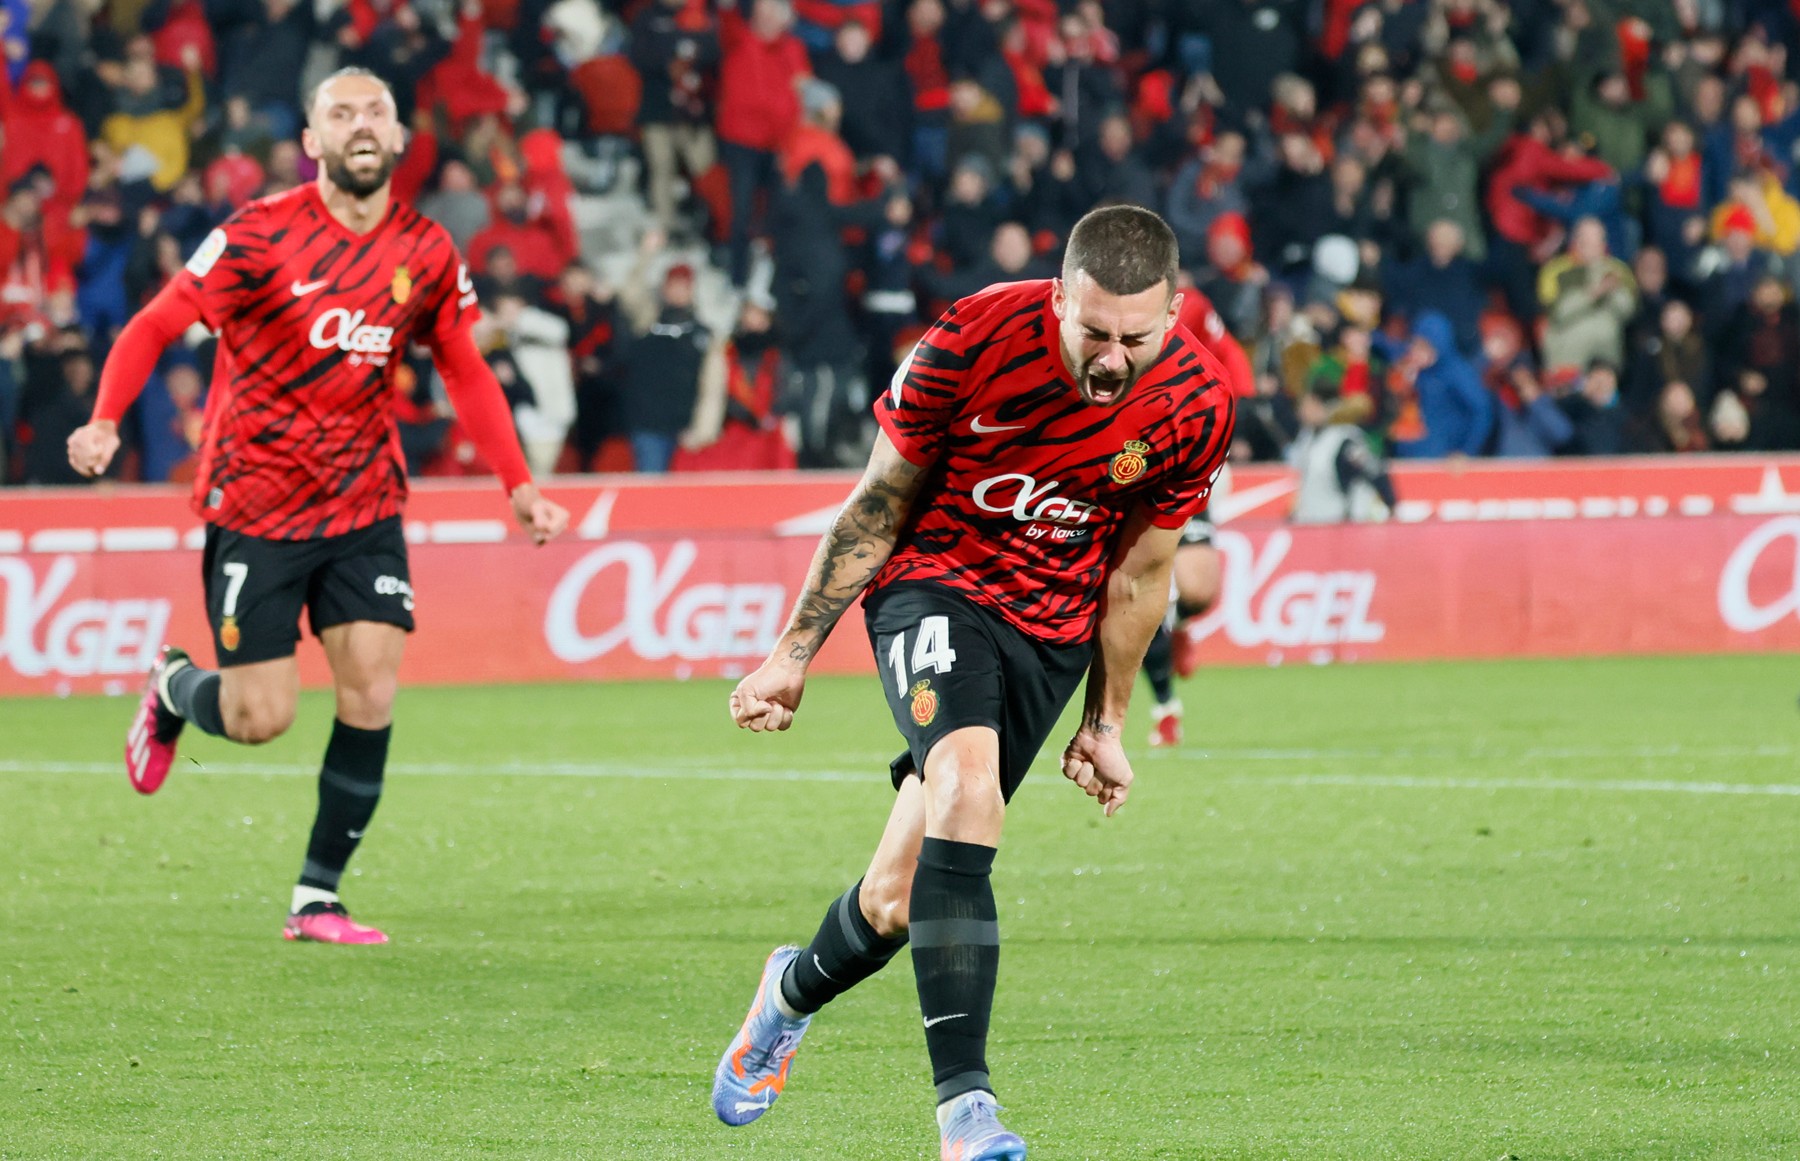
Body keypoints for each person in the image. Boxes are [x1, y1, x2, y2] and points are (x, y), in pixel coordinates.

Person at [709, 206, 1234, 1159]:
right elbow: (877, 505)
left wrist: (1107, 720)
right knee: (966, 792)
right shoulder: (972, 337)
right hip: (935, 588)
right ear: (1058, 295)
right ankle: (966, 1113)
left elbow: (1141, 575)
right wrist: (792, 654)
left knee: (896, 898)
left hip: (1051, 630)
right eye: (1094, 332)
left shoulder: (1197, 402)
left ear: (1176, 310)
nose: (1113, 358)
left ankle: (785, 996)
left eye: (1137, 338)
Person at [65, 68, 569, 945]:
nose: (360, 124)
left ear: (402, 135)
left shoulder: (426, 250)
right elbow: (153, 324)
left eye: (375, 110)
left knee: (371, 686)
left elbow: (465, 368)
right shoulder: (257, 236)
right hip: (256, 502)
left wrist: (519, 485)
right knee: (263, 717)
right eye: (340, 113)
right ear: (312, 141)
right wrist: (106, 418)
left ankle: (317, 896)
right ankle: (174, 688)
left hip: (364, 502)